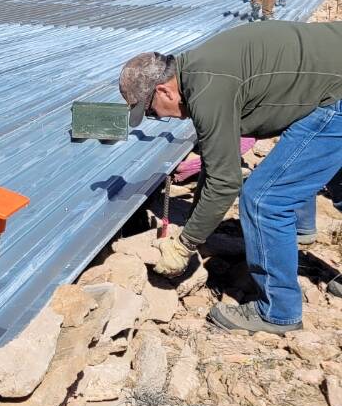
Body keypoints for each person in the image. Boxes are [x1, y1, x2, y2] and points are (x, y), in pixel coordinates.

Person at [118, 20, 342, 333]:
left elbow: (225, 182)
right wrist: (197, 224)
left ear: (163, 90)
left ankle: (278, 313)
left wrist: (185, 245)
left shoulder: (207, 88)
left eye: (152, 111)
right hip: (333, 76)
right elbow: (216, 162)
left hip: (336, 93)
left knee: (265, 199)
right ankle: (297, 239)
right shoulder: (198, 70)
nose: (158, 119)